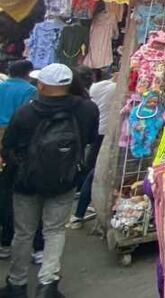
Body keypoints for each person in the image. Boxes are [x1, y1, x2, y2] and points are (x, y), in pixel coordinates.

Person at [0, 63, 98, 298]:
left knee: (23, 232)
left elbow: (9, 145)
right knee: (54, 231)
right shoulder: (86, 109)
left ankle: (17, 283)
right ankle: (47, 285)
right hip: (64, 181)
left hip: (26, 182)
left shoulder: (26, 112)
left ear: (42, 85)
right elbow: (89, 139)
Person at [0, 61, 36, 259]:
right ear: (28, 73)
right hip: (17, 138)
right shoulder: (30, 90)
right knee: (13, 187)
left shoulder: (1, 86)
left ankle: (5, 241)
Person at [71, 67, 115, 226]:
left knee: (92, 167)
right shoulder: (116, 88)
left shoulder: (95, 88)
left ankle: (80, 209)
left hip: (100, 131)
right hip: (111, 134)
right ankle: (80, 212)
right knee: (95, 171)